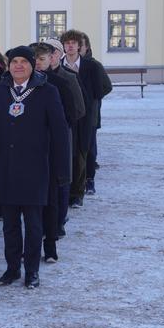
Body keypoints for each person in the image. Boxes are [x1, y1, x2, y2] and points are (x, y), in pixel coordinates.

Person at [0, 45, 70, 288]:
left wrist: (62, 171)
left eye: (23, 61)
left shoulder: (47, 91)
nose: (18, 66)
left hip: (36, 169)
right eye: (14, 62)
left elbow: (60, 133)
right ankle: (12, 269)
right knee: (10, 225)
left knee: (34, 225)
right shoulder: (0, 92)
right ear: (8, 66)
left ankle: (32, 271)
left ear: (32, 65)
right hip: (6, 168)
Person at [31, 42, 77, 262]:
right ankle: (31, 244)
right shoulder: (20, 84)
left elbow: (74, 112)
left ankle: (51, 242)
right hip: (29, 150)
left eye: (41, 58)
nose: (37, 63)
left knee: (52, 197)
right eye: (34, 59)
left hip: (52, 147)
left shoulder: (59, 83)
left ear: (51, 59)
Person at [60, 30, 111, 202]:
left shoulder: (91, 66)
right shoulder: (59, 65)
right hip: (67, 116)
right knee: (68, 151)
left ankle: (84, 185)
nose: (70, 46)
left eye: (74, 43)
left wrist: (89, 101)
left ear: (80, 46)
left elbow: (102, 88)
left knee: (85, 150)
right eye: (67, 43)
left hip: (87, 116)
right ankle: (70, 186)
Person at [44, 37, 86, 235]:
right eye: (47, 52)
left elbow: (78, 109)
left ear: (60, 55)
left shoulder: (68, 77)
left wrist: (60, 124)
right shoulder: (33, 78)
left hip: (62, 135)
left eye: (54, 52)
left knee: (61, 178)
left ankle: (59, 221)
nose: (50, 56)